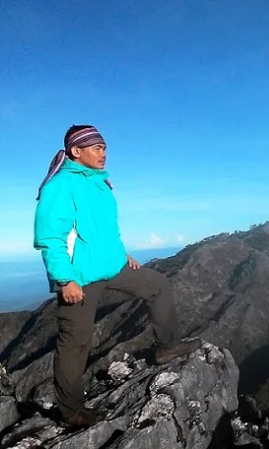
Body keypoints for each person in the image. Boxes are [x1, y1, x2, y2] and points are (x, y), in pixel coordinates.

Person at [33, 124, 200, 428]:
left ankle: (167, 347)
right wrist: (64, 279)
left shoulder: (100, 184)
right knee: (76, 342)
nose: (104, 153)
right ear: (76, 151)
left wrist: (122, 255)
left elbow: (104, 231)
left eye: (105, 148)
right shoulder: (60, 186)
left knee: (158, 286)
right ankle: (70, 412)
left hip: (112, 266)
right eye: (97, 148)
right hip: (80, 277)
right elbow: (50, 237)